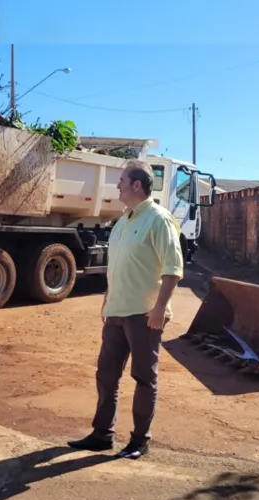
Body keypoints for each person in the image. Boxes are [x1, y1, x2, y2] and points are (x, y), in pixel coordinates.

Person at [68, 159, 184, 460]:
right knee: (106, 374)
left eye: (121, 181)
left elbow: (173, 269)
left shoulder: (159, 219)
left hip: (145, 314)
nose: (117, 185)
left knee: (144, 378)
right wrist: (107, 298)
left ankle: (139, 440)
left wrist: (160, 309)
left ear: (136, 185)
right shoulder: (122, 221)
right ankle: (102, 434)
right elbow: (117, 266)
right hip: (117, 312)